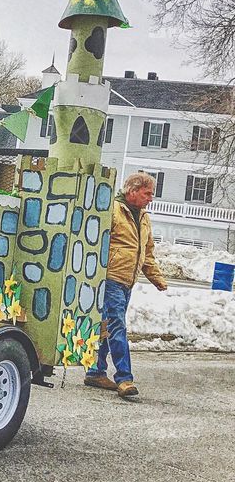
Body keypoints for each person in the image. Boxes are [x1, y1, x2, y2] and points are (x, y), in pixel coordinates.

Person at [85, 171, 167, 399]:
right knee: (116, 325)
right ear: (133, 190)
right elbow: (97, 241)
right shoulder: (113, 210)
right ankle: (124, 378)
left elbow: (147, 252)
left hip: (127, 281)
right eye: (147, 193)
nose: (151, 198)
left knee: (107, 326)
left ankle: (95, 371)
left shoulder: (143, 216)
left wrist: (156, 278)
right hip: (111, 278)